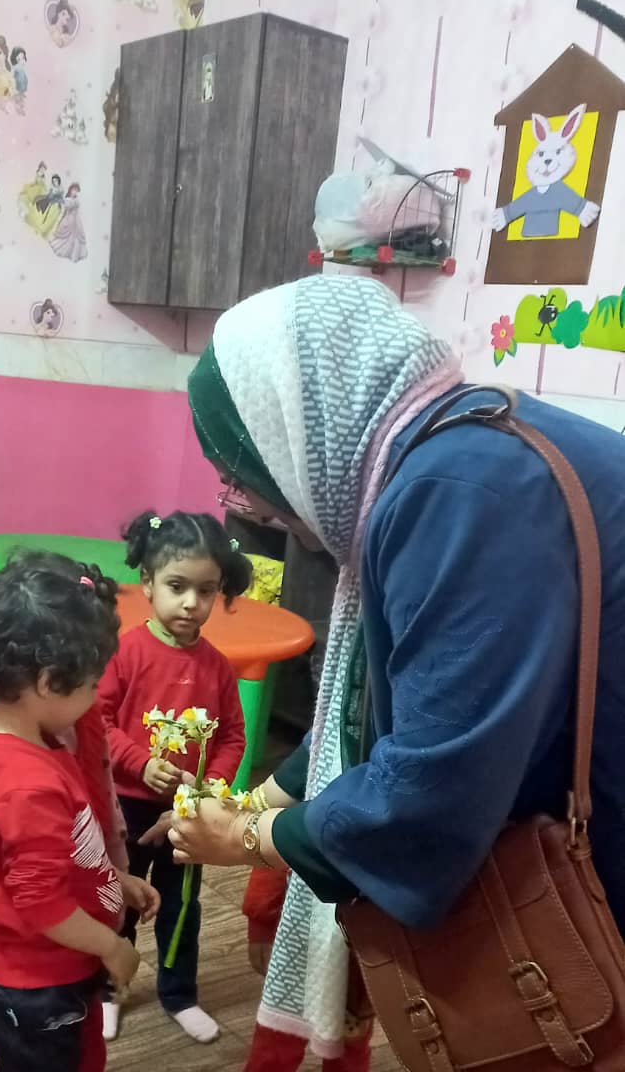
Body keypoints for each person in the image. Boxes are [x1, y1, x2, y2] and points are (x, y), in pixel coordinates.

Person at [163, 273, 625, 1071]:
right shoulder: (465, 438)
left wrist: (245, 838)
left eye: (246, 471)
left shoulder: (455, 494)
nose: (247, 505)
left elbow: (433, 784)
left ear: (300, 429)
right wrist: (263, 797)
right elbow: (380, 700)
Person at [0, 550, 159, 1071]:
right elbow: (40, 901)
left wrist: (112, 878)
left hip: (46, 970)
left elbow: (55, 853)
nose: (95, 699)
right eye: (91, 685)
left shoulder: (37, 743)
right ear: (47, 683)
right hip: (35, 986)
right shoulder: (27, 786)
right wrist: (112, 946)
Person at [96, 510, 251, 1044]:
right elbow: (96, 722)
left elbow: (233, 736)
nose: (191, 603)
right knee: (117, 898)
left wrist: (207, 790)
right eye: (177, 587)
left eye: (206, 591)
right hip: (125, 806)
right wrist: (139, 762)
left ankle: (179, 993)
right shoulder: (124, 652)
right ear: (147, 583)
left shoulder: (217, 666)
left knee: (182, 905)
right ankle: (108, 989)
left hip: (187, 813)